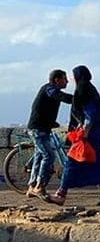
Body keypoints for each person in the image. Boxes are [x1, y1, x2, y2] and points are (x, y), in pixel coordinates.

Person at [48, 66, 100, 206]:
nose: (72, 79)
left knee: (71, 161)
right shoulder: (91, 88)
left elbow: (89, 115)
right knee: (98, 162)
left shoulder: (82, 89)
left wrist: (84, 132)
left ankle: (61, 194)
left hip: (89, 134)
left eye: (73, 76)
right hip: (99, 131)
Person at [25, 69, 73, 199]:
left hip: (43, 128)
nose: (67, 81)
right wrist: (78, 99)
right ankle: (39, 187)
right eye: (64, 78)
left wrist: (52, 122)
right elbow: (61, 97)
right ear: (57, 80)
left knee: (39, 156)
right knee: (49, 156)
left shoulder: (51, 90)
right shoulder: (49, 89)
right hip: (37, 129)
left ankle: (32, 186)